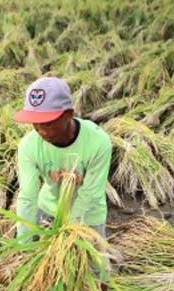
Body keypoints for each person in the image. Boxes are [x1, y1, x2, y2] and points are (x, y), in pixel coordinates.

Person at [13, 76, 112, 248]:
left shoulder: (98, 141)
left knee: (96, 270)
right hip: (48, 209)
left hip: (89, 214)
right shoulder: (28, 146)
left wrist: (67, 232)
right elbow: (27, 197)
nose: (41, 131)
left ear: (68, 115)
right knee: (35, 263)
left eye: (48, 124)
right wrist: (23, 245)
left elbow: (90, 194)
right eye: (35, 124)